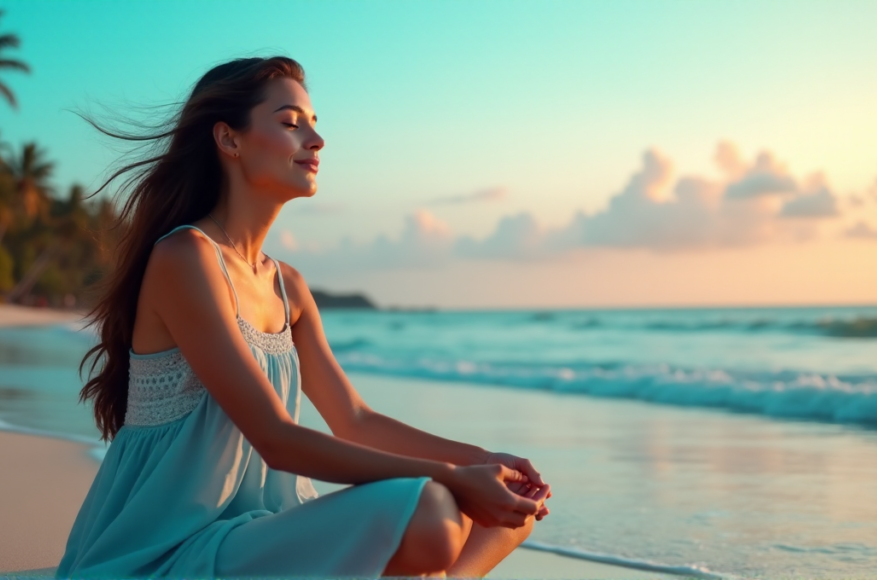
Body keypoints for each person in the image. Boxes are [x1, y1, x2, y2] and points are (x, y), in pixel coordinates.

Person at [58, 56, 551, 578]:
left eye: (314, 124)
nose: (316, 140)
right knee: (432, 510)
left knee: (510, 515)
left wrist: (481, 462)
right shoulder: (186, 258)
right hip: (169, 550)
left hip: (264, 534)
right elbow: (275, 438)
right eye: (291, 123)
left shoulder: (287, 286)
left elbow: (354, 420)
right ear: (228, 139)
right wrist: (452, 476)